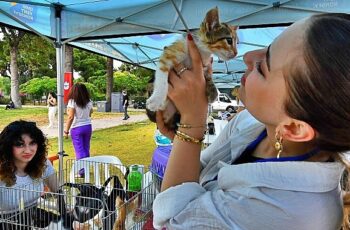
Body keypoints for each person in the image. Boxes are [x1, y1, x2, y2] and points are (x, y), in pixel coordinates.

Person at [152, 14, 350, 230]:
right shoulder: (250, 123)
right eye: (267, 47)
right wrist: (185, 138)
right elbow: (202, 171)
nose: (247, 56)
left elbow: (171, 219)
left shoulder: (287, 213)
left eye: (263, 66)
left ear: (294, 128)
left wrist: (192, 123)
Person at [0, 120, 57, 228]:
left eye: (32, 143)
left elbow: (58, 191)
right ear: (8, 147)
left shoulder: (43, 164)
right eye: (20, 144)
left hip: (33, 219)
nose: (28, 150)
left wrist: (67, 215)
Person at [64, 83, 93, 176]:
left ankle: (82, 171)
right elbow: (90, 113)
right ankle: (86, 168)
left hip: (77, 128)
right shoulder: (89, 101)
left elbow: (70, 117)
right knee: (86, 148)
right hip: (88, 126)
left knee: (79, 149)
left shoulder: (72, 101)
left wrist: (66, 131)